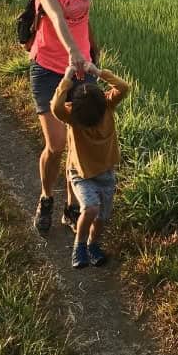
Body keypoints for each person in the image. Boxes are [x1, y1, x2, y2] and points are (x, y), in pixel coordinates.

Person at [29, 0, 100, 235]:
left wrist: (91, 52)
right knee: (56, 144)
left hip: (82, 70)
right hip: (49, 67)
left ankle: (72, 207)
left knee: (78, 142)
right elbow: (57, 16)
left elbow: (83, 19)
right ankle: (46, 198)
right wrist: (73, 51)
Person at [50, 64, 130, 268]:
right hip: (81, 174)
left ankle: (93, 245)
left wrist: (90, 73)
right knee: (91, 208)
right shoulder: (74, 114)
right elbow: (55, 108)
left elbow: (124, 88)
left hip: (105, 174)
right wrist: (90, 73)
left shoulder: (104, 105)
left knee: (102, 217)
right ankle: (80, 246)